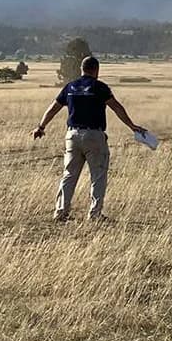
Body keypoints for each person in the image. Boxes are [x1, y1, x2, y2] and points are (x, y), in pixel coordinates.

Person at [32, 56, 146, 222]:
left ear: (81, 69)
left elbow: (53, 108)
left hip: (72, 135)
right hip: (94, 135)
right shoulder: (100, 87)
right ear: (96, 70)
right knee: (98, 175)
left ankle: (60, 211)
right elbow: (116, 107)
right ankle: (94, 214)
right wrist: (132, 125)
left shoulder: (70, 87)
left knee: (69, 175)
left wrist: (41, 126)